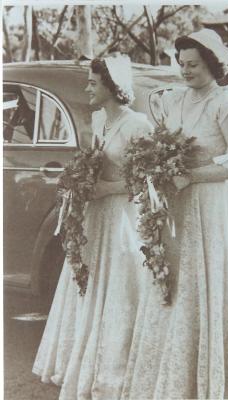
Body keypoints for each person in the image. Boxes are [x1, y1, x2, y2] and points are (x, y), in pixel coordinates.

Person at [120, 29, 228, 399]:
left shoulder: (226, 104)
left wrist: (192, 176)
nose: (185, 71)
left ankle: (214, 379)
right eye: (181, 64)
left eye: (193, 65)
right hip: (178, 204)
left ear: (213, 65)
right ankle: (176, 377)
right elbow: (164, 144)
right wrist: (157, 167)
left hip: (214, 205)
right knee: (177, 281)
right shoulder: (174, 100)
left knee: (208, 282)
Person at [32, 54, 153, 399]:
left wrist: (106, 188)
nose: (87, 87)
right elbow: (93, 163)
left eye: (93, 82)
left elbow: (145, 182)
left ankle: (116, 367)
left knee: (119, 287)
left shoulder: (137, 125)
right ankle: (86, 360)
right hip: (96, 215)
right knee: (90, 282)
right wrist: (81, 184)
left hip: (120, 216)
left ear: (112, 87)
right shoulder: (100, 120)